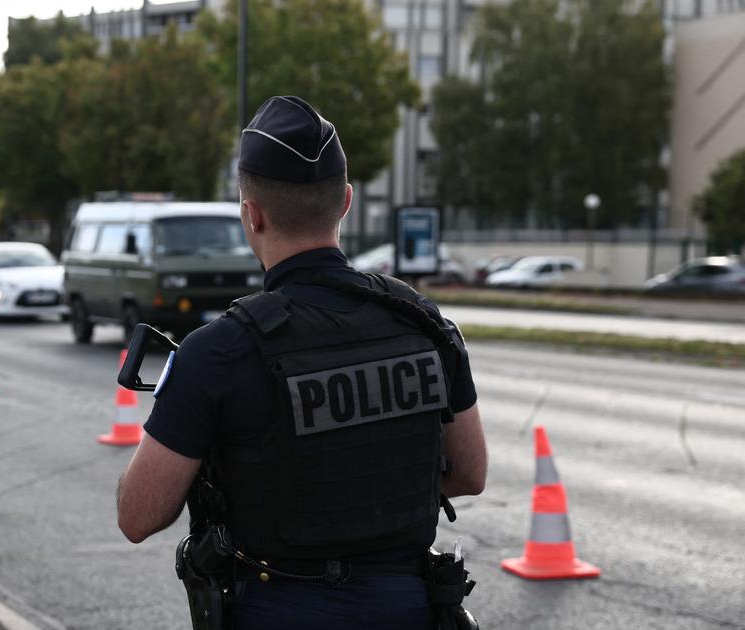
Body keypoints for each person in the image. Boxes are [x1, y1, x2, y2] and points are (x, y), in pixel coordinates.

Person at [116, 96, 487, 629]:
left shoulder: (218, 351)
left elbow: (138, 516)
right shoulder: (422, 322)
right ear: (345, 202)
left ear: (253, 214)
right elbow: (470, 474)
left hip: (280, 609)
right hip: (409, 606)